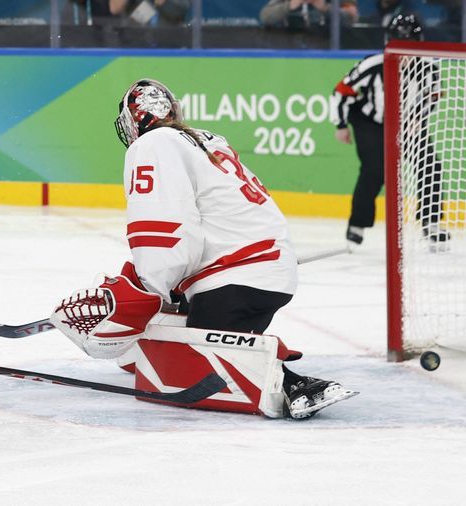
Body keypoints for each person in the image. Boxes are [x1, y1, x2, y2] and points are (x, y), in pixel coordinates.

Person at [50, 79, 357, 419]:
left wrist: (148, 287)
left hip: (233, 279)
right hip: (265, 269)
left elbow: (166, 231)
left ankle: (292, 383)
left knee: (191, 366)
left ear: (133, 121)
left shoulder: (154, 144)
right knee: (166, 344)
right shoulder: (203, 141)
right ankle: (263, 361)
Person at [332, 13, 447, 247]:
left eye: (410, 44)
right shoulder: (373, 64)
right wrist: (341, 124)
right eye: (399, 42)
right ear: (388, 41)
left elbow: (433, 96)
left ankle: (431, 221)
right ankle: (358, 224)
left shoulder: (428, 68)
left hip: (409, 123)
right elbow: (342, 91)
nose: (404, 50)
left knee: (430, 164)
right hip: (371, 123)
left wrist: (418, 117)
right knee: (375, 169)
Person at [260, 0, 359, 29]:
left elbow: (351, 18)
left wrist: (324, 8)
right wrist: (290, 5)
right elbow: (265, 17)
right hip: (290, 46)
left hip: (326, 47)